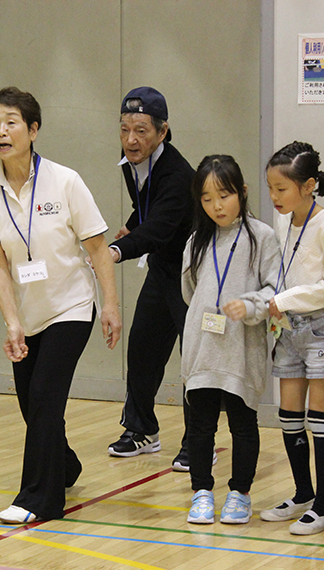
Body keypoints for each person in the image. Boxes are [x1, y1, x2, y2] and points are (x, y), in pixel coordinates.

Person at [0, 87, 122, 523]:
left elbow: (95, 247)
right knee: (32, 406)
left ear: (33, 130)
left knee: (44, 395)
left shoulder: (65, 181)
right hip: (30, 314)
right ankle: (66, 465)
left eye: (11, 121)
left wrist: (109, 305)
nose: (2, 130)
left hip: (72, 305)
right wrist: (12, 323)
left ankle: (39, 499)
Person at [259, 142, 324, 535]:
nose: (274, 197)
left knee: (320, 419)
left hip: (322, 328)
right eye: (271, 188)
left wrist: (284, 298)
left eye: (282, 189)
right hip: (288, 326)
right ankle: (303, 494)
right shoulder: (284, 222)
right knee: (289, 416)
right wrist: (272, 298)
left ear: (309, 185)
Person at [180, 155, 279, 524]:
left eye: (224, 195)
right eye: (206, 199)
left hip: (243, 346)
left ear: (243, 192)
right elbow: (190, 290)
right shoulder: (196, 240)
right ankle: (201, 491)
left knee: (242, 424)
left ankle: (240, 492)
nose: (216, 206)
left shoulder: (262, 237)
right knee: (200, 425)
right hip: (203, 345)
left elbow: (274, 289)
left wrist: (250, 306)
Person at [105, 87, 198, 471]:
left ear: (162, 132)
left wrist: (114, 251)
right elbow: (146, 210)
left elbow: (160, 225)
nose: (131, 139)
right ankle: (142, 429)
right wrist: (130, 227)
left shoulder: (178, 175)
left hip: (195, 273)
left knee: (194, 360)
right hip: (162, 268)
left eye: (141, 130)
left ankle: (198, 440)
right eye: (125, 128)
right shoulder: (131, 165)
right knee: (142, 347)